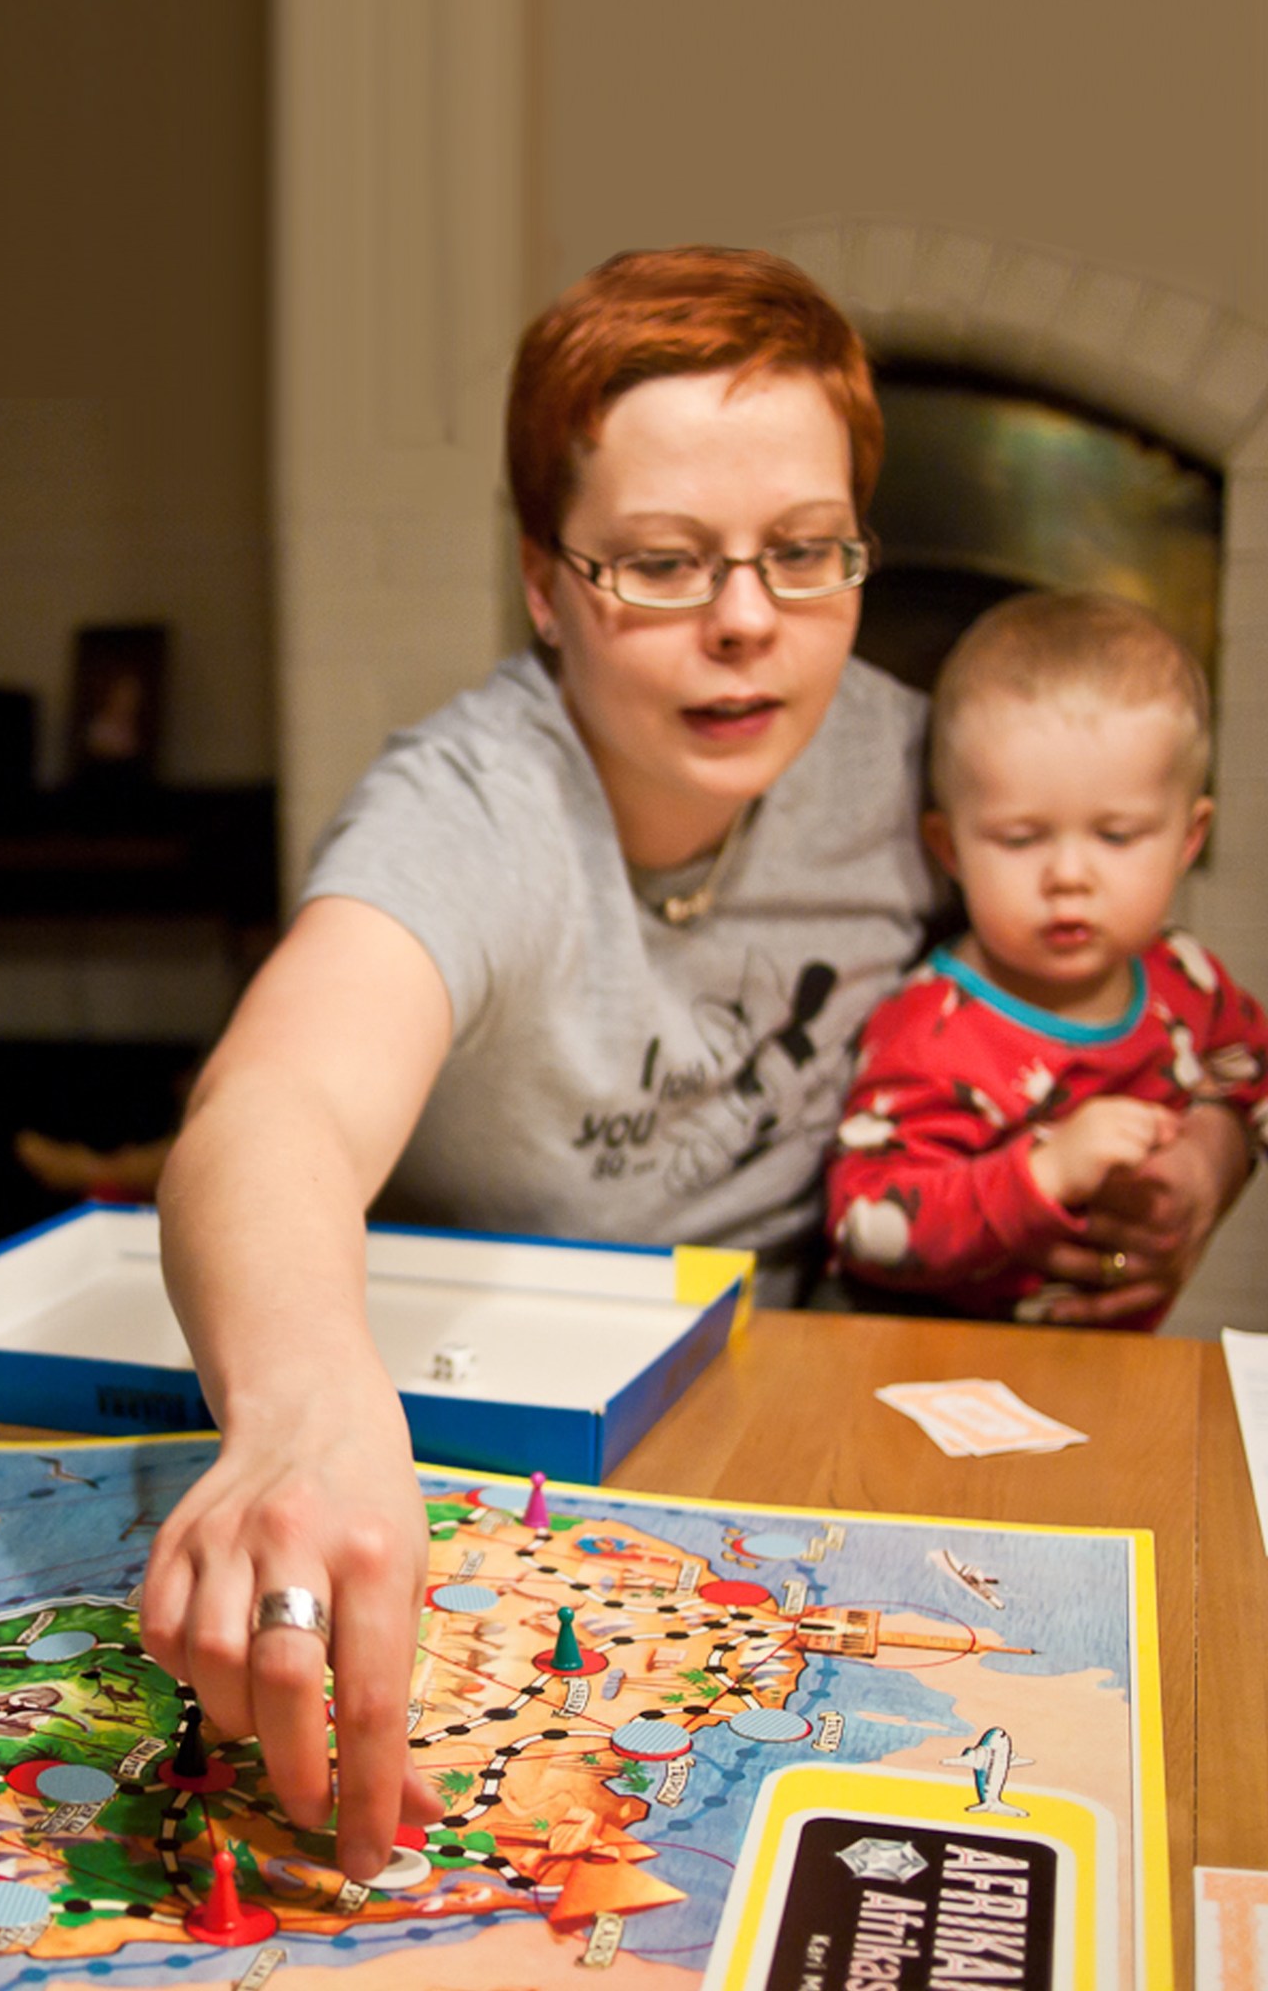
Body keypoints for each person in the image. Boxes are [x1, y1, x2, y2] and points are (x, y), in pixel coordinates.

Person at [141, 252, 1250, 1881]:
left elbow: (1153, 998)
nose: (745, 623)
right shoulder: (472, 804)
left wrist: (1209, 1147)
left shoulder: (925, 767)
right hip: (489, 1455)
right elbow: (271, 1104)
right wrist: (301, 1415)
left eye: (803, 555)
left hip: (805, 1425)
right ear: (544, 582)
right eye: (660, 565)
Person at [826, 590, 1266, 1327]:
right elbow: (865, 1225)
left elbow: (1249, 1069)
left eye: (1117, 836)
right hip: (930, 1370)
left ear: (1189, 840)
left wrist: (1207, 1161)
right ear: (949, 847)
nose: (1069, 875)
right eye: (1022, 838)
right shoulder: (931, 1030)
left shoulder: (1187, 982)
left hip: (1107, 1370)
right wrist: (1040, 1174)